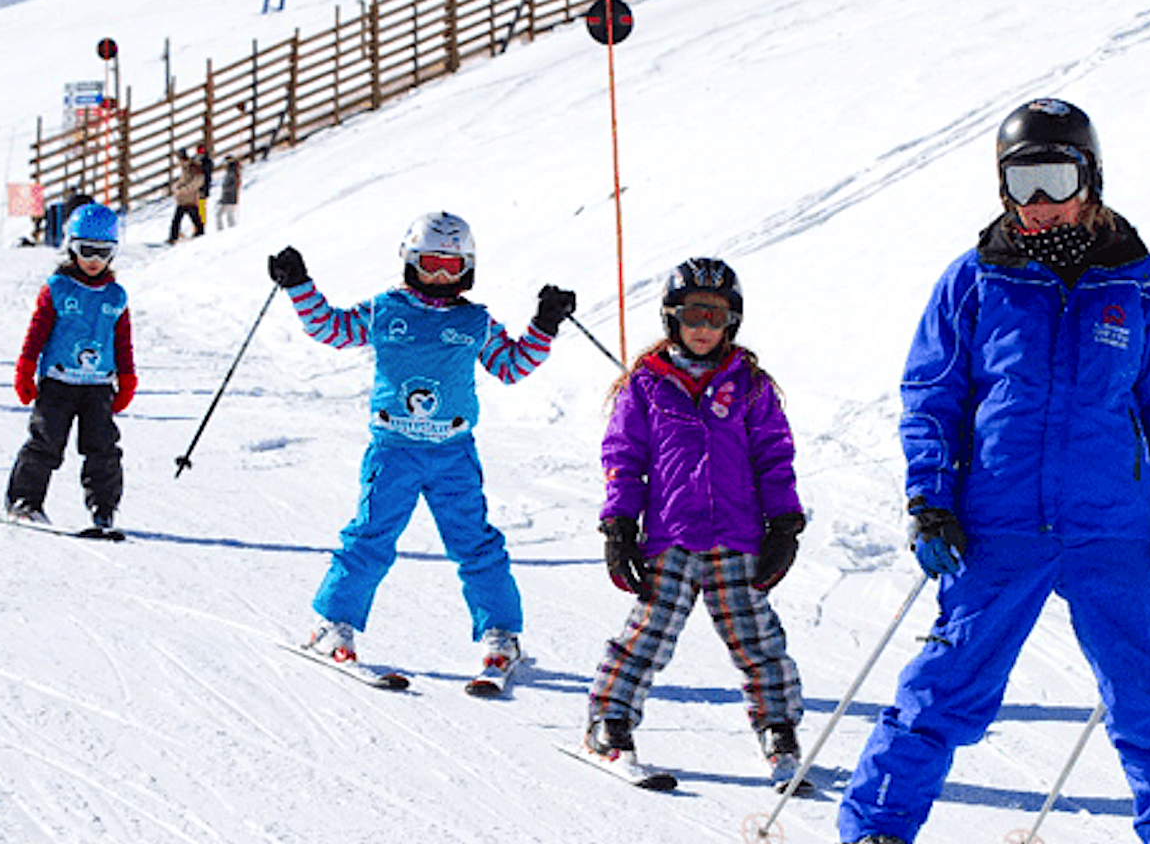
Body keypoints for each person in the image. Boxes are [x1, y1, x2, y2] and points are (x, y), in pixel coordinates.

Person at [830, 99, 1150, 844]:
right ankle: (874, 831)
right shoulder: (976, 279)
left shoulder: (1140, 282)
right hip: (997, 521)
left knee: (1148, 688)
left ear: (1091, 178)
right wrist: (930, 496)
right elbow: (932, 393)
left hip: (1112, 524)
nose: (1039, 202)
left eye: (1056, 177)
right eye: (1023, 181)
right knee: (948, 683)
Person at [265, 211, 576, 677]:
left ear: (467, 269)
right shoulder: (385, 309)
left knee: (476, 544)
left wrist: (544, 325)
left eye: (451, 267)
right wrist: (300, 285)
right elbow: (330, 328)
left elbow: (511, 367)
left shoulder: (475, 321)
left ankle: (501, 634)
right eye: (430, 263)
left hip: (453, 454)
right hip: (393, 452)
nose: (438, 276)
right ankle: (335, 623)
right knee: (370, 537)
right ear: (410, 261)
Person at [582, 257, 809, 786]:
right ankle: (609, 719)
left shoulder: (750, 384)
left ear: (733, 320)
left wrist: (784, 525)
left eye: (717, 315)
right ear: (671, 317)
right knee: (648, 635)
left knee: (757, 639)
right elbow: (624, 458)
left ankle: (777, 726)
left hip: (737, 536)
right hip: (671, 537)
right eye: (693, 314)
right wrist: (619, 526)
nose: (705, 327)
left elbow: (774, 457)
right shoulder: (645, 385)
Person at [5, 203, 136, 531]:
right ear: (71, 248)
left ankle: (103, 508)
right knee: (45, 443)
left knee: (103, 449)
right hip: (58, 382)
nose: (94, 260)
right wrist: (26, 366)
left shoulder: (116, 296)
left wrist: (127, 378)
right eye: (86, 251)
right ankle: (25, 501)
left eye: (103, 253)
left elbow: (122, 341)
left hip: (98, 386)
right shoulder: (58, 289)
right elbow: (37, 331)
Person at [167, 152, 204, 242]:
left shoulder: (194, 167)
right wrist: (176, 186)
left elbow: (198, 181)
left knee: (190, 217)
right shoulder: (185, 167)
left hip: (189, 197)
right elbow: (183, 180)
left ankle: (174, 237)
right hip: (183, 198)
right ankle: (173, 236)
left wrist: (184, 190)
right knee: (179, 219)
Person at [215, 156, 241, 230]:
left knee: (229, 216)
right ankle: (220, 230)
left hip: (230, 198)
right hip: (225, 198)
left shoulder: (233, 173)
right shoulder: (229, 172)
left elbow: (233, 186)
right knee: (218, 214)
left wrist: (227, 191)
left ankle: (232, 230)